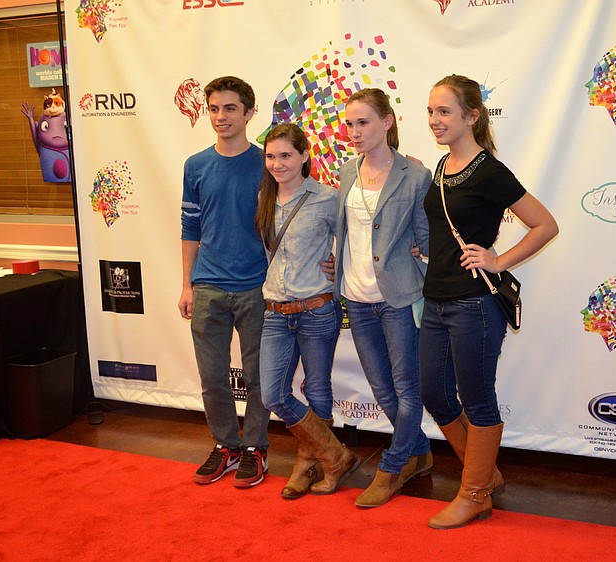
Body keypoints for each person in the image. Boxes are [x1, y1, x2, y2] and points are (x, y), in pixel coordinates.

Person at [421, 74, 559, 529]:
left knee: (478, 400)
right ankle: (484, 475)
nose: (435, 120)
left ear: (472, 116)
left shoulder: (490, 171)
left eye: (444, 111)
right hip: (435, 299)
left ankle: (474, 493)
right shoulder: (442, 166)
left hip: (474, 305)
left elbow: (545, 225)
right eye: (431, 111)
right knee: (434, 393)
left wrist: (498, 261)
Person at [334, 88, 433, 508]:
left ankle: (392, 466)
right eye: (350, 124)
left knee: (407, 387)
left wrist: (422, 254)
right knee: (382, 387)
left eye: (363, 122)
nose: (354, 132)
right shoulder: (345, 172)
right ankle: (419, 452)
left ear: (387, 122)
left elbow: (426, 237)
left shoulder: (415, 175)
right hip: (355, 298)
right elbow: (343, 231)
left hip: (399, 297)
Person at [256, 123, 360, 499]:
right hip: (274, 310)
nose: (277, 164)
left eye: (286, 155)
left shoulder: (327, 197)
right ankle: (335, 455)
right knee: (273, 395)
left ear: (304, 156)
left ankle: (307, 464)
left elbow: (355, 242)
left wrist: (337, 264)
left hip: (317, 308)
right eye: (271, 156)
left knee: (317, 388)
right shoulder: (264, 198)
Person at [179, 76, 271, 487]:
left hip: (256, 286)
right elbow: (190, 227)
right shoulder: (195, 165)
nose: (221, 116)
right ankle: (226, 446)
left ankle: (256, 448)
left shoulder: (268, 163)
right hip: (208, 287)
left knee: (258, 376)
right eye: (214, 108)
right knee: (212, 377)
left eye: (230, 108)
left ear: (249, 113)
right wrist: (187, 284)